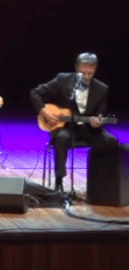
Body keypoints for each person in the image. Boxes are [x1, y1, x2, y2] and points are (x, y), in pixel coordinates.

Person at [30, 52, 118, 192]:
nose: (86, 76)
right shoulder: (63, 80)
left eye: (90, 72)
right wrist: (44, 111)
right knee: (62, 138)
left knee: (110, 141)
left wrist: (97, 122)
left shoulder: (102, 89)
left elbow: (99, 115)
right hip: (65, 127)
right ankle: (59, 181)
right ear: (77, 67)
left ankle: (102, 182)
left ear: (95, 69)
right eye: (83, 72)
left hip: (89, 130)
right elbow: (35, 92)